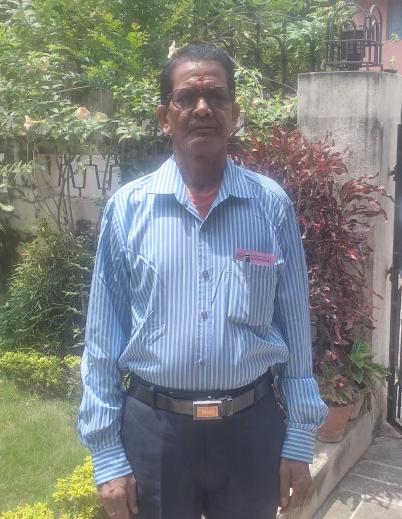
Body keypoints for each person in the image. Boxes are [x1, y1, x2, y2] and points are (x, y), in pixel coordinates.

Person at [78, 43, 328, 519]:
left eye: (215, 96)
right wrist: (107, 454)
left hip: (250, 432)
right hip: (155, 436)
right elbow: (101, 340)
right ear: (164, 116)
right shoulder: (129, 209)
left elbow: (296, 332)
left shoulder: (270, 207)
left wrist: (298, 438)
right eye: (186, 98)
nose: (202, 109)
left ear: (234, 114)